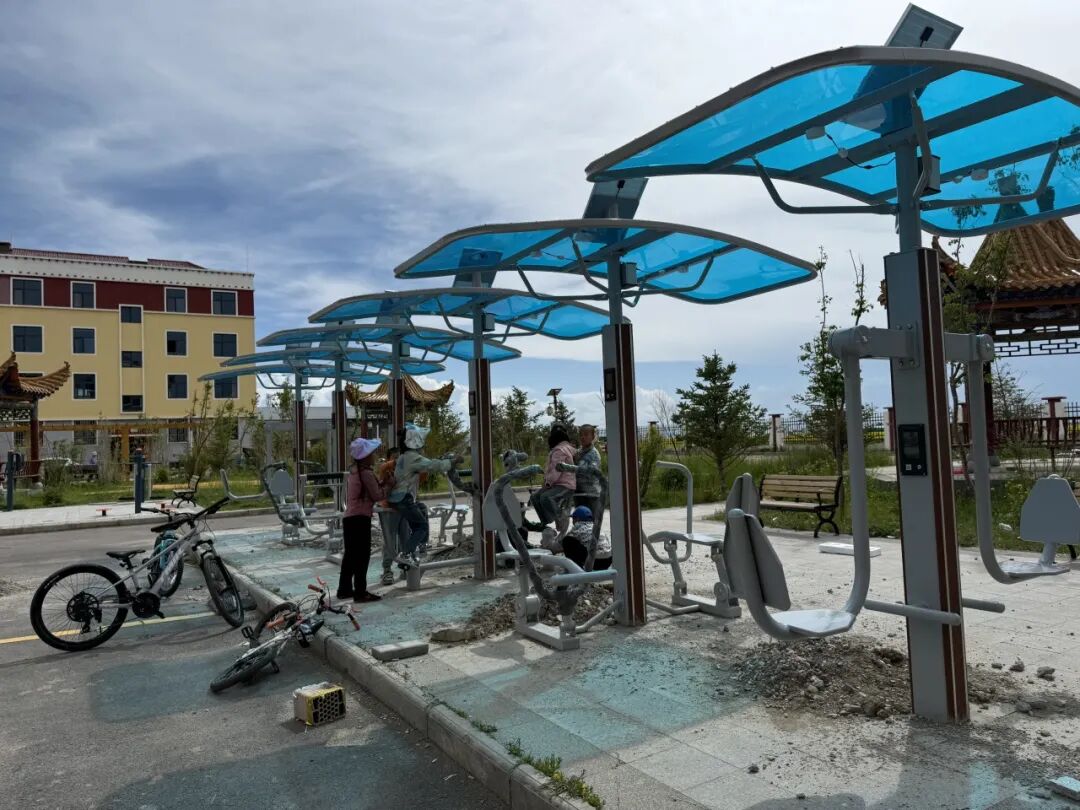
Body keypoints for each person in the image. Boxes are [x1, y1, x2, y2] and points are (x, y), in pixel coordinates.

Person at [387, 423, 457, 566]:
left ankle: (412, 553)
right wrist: (451, 462)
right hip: (404, 498)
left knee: (416, 521)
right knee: (422, 526)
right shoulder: (412, 457)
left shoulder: (403, 456)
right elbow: (432, 465)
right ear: (417, 442)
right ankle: (406, 554)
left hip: (396, 498)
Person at [338, 437, 386, 602]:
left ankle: (344, 589)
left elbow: (370, 490)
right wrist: (390, 484)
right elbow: (377, 495)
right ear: (365, 457)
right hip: (360, 519)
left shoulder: (354, 472)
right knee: (362, 556)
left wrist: (381, 483)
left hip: (350, 518)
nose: (374, 456)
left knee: (350, 556)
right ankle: (360, 592)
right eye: (371, 454)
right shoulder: (366, 473)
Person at [529, 423, 576, 537]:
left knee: (546, 497)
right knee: (535, 496)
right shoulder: (562, 448)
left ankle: (559, 518)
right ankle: (546, 521)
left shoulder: (560, 450)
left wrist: (548, 483)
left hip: (566, 485)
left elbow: (556, 470)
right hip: (557, 483)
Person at [375, 445, 402, 585]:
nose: (398, 460)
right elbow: (382, 471)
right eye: (395, 458)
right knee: (389, 540)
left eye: (400, 457)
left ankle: (404, 566)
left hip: (402, 508)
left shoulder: (405, 471)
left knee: (404, 538)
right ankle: (387, 570)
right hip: (388, 509)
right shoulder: (385, 470)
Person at [562, 506, 612, 571]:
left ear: (577, 519)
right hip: (608, 560)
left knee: (567, 540)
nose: (572, 521)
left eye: (573, 518)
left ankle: (575, 568)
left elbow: (560, 545)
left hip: (594, 561)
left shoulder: (578, 525)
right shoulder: (595, 527)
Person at [573, 424, 603, 531]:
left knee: (591, 525)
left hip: (591, 495)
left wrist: (572, 467)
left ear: (592, 436)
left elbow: (590, 471)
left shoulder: (594, 454)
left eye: (586, 435)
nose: (583, 437)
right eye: (581, 435)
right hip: (578, 493)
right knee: (578, 524)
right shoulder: (578, 452)